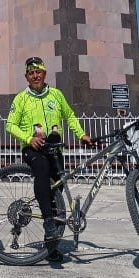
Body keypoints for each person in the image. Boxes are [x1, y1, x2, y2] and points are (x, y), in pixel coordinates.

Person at [6, 56, 92, 262]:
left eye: (39, 71)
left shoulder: (56, 95)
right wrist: (29, 139)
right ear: (26, 76)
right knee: (42, 173)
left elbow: (70, 116)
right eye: (31, 72)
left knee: (56, 197)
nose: (35, 75)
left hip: (55, 150)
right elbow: (10, 124)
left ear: (45, 73)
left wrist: (81, 134)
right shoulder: (21, 98)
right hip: (33, 149)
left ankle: (51, 246)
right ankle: (48, 223)